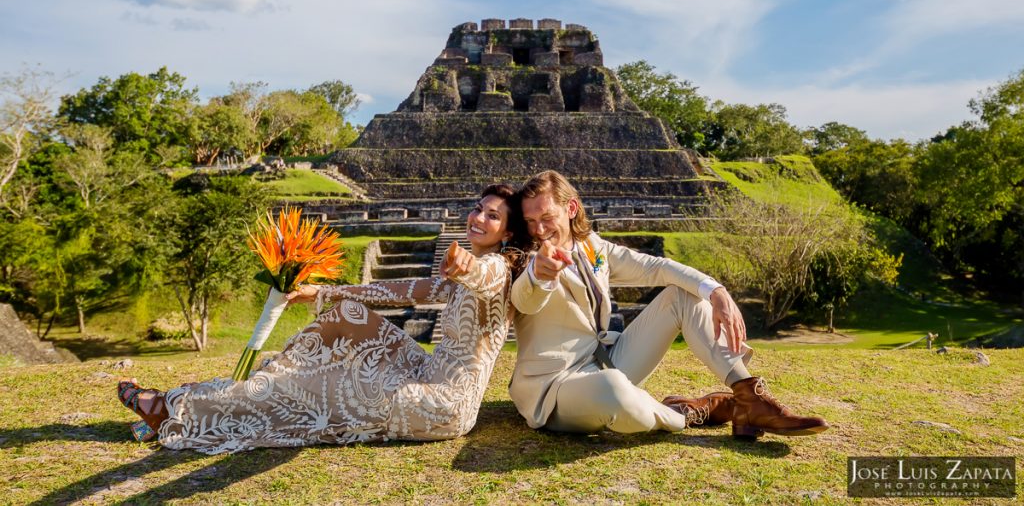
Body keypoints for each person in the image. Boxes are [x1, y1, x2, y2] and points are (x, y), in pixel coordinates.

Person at [117, 184, 528, 453]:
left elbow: (483, 275)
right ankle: (253, 384)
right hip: (425, 370)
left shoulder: (497, 270)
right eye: (478, 209)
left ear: (508, 233)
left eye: (493, 216)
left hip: (444, 403)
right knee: (348, 313)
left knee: (316, 393)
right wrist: (320, 292)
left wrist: (465, 266)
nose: (479, 218)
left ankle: (173, 406)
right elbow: (397, 291)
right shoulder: (457, 278)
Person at [509, 170, 828, 440]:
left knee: (682, 295)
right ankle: (686, 412)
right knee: (613, 387)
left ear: (571, 208)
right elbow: (524, 299)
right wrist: (539, 275)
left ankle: (749, 397)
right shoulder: (526, 257)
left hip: (605, 361)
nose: (539, 229)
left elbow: (657, 268)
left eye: (546, 217)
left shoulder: (593, 247)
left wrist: (716, 291)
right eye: (530, 221)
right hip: (557, 388)